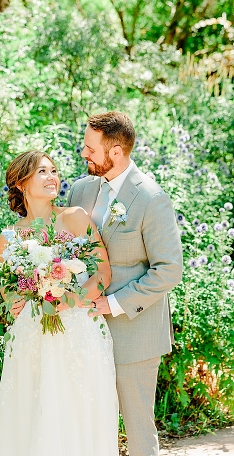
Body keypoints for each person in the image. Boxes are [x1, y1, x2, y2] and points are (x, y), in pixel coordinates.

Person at [0, 150, 119, 456]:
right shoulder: (9, 236)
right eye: (42, 172)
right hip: (31, 335)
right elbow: (8, 286)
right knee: (31, 412)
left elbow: (103, 273)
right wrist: (15, 300)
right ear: (20, 183)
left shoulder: (75, 218)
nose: (52, 177)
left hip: (78, 330)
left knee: (77, 411)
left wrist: (68, 300)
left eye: (54, 171)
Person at [68, 111, 183, 456]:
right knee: (85, 427)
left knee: (138, 432)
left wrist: (114, 303)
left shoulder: (151, 198)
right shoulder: (80, 190)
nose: (84, 154)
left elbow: (168, 270)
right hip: (83, 330)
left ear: (116, 152)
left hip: (135, 334)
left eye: (91, 149)